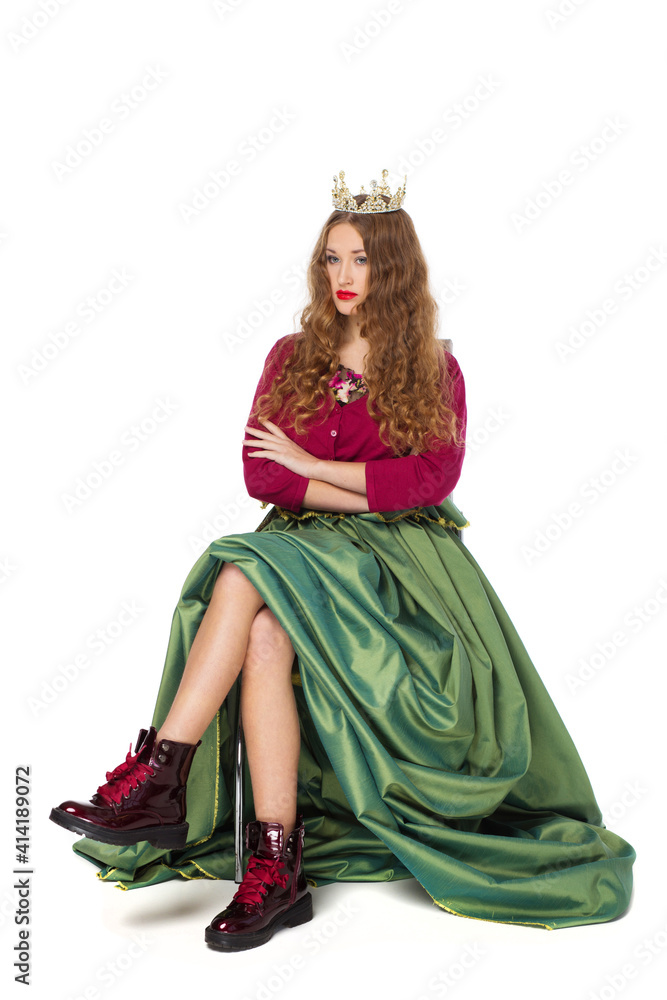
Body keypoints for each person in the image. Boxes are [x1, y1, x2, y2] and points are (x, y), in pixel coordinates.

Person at [50, 168, 635, 949]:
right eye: (331, 258)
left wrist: (314, 466)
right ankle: (274, 865)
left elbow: (429, 481)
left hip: (399, 558)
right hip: (298, 544)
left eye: (360, 258)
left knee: (242, 566)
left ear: (392, 265)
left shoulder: (433, 365)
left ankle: (161, 774)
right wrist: (354, 481)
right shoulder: (290, 355)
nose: (343, 275)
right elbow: (263, 476)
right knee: (262, 625)